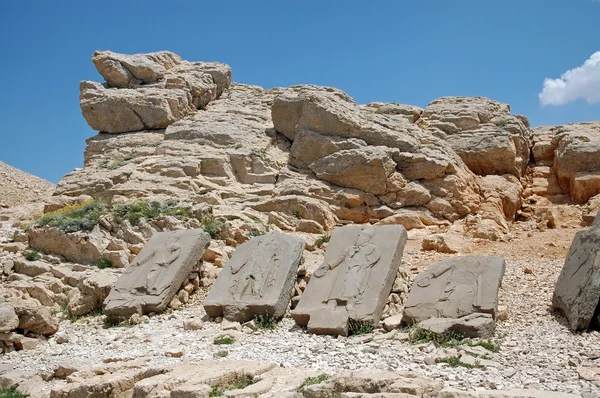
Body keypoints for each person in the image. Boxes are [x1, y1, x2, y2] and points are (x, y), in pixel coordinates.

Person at [314, 226, 381, 310]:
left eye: (360, 236)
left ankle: (350, 302)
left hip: (358, 270)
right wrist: (329, 266)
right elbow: (340, 259)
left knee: (352, 286)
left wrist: (365, 263)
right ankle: (332, 302)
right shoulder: (350, 248)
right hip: (344, 270)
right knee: (338, 286)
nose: (358, 238)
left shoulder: (371, 248)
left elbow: (376, 256)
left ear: (366, 237)